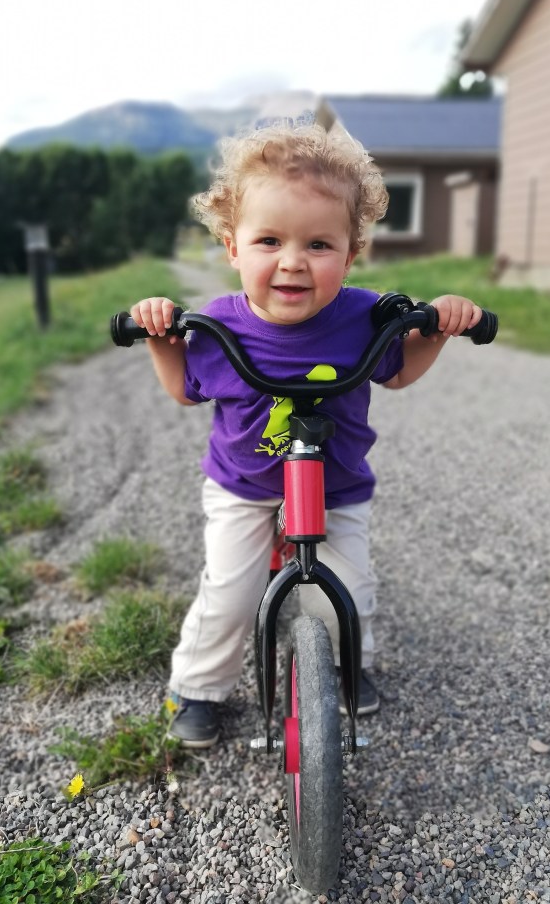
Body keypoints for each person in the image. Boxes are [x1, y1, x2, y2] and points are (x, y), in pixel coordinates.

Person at [130, 122, 481, 748]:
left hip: (336, 484)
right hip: (243, 483)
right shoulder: (218, 325)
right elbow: (184, 388)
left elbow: (398, 371)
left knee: (350, 591)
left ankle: (345, 664)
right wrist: (162, 339)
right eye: (269, 240)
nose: (292, 261)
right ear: (233, 248)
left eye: (319, 244)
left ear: (350, 254)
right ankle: (199, 686)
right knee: (230, 593)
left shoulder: (365, 316)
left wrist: (436, 330)